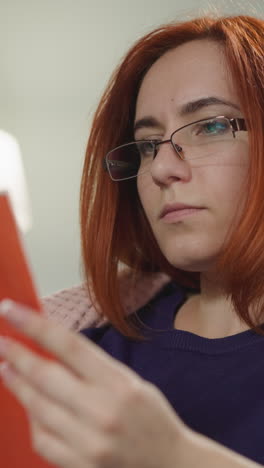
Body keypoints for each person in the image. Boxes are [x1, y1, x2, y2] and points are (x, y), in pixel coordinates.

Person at [0, 12, 263, 468]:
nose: (161, 168)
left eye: (211, 125)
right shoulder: (85, 344)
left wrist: (175, 457)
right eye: (147, 145)